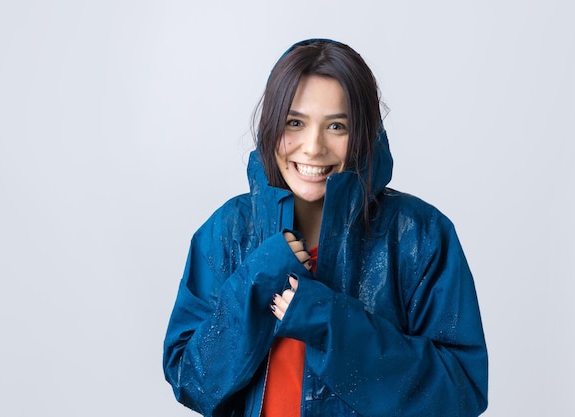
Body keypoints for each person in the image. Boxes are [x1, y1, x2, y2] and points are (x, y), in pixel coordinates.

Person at [163, 38, 488, 417]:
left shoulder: (419, 235)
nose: (313, 147)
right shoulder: (228, 231)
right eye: (295, 123)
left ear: (364, 134)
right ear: (270, 127)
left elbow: (460, 394)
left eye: (337, 126)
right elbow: (192, 383)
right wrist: (258, 279)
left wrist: (328, 321)